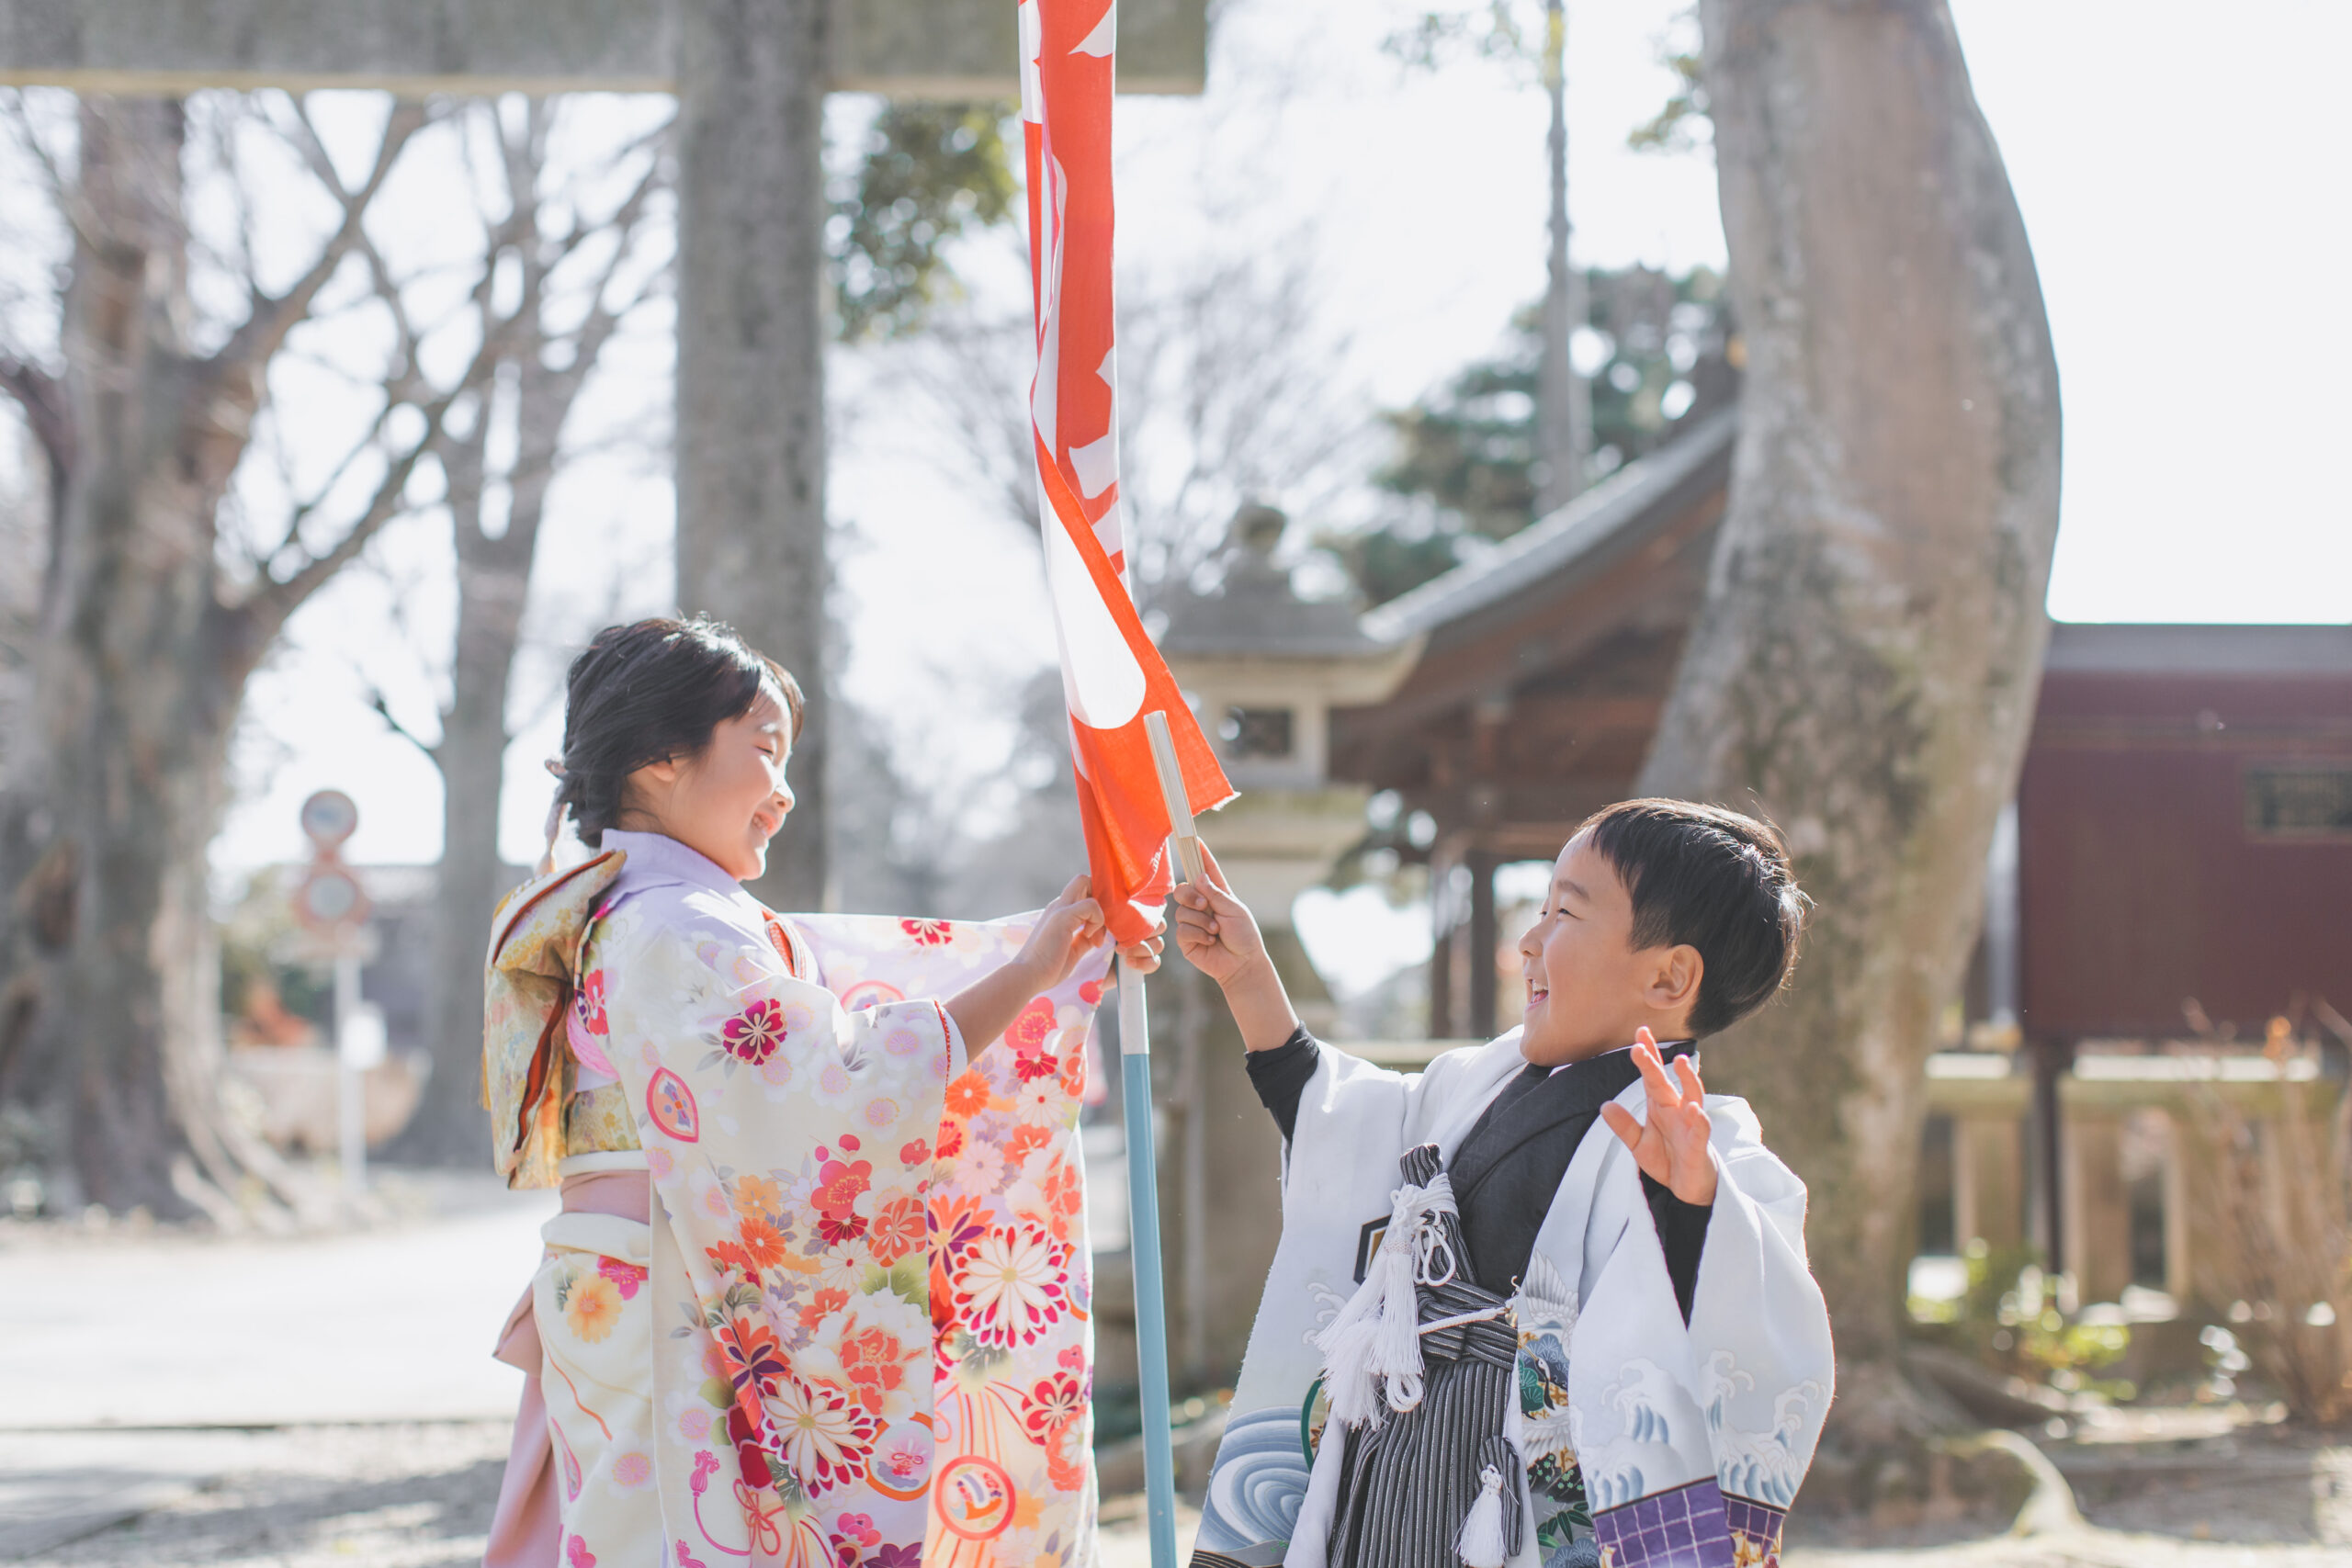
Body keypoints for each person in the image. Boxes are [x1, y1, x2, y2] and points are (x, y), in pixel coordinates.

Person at [481, 616, 1157, 1568]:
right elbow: (836, 1079)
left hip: (631, 1272)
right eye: (763, 751)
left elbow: (853, 991)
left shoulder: (651, 912)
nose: (784, 792)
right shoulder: (674, 925)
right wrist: (1034, 971)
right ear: (663, 755)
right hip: (669, 1287)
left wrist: (1047, 957)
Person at [1171, 800, 1835, 1568]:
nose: (1528, 939)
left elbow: (1750, 1310)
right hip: (1390, 1442)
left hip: (1516, 1486)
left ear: (1669, 975)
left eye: (1564, 913)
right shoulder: (1476, 1081)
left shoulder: (1702, 1148)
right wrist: (1248, 976)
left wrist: (1692, 1207)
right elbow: (1343, 1125)